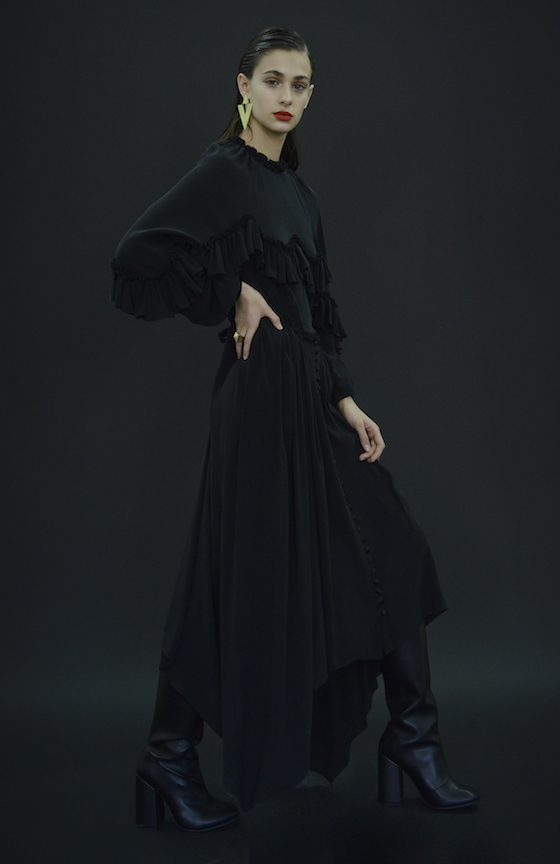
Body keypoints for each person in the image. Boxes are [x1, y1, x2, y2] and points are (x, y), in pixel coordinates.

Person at [110, 26, 479, 830]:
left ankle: (411, 742)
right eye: (272, 79)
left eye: (300, 83)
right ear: (242, 87)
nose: (286, 95)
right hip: (256, 403)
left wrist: (346, 402)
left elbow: (316, 316)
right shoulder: (223, 173)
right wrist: (231, 292)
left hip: (310, 399)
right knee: (232, 579)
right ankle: (169, 757)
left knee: (392, 551)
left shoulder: (299, 196)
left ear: (311, 95)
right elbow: (133, 264)